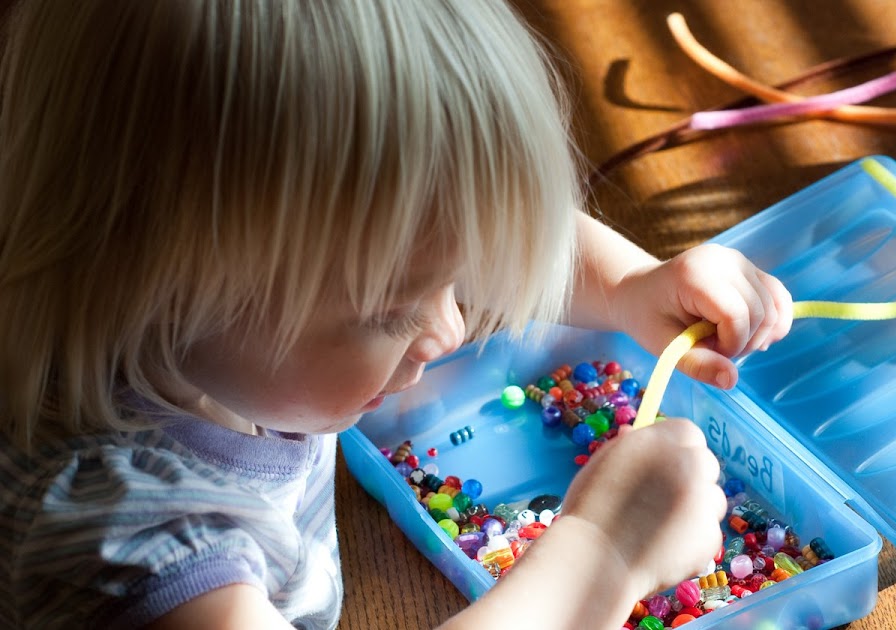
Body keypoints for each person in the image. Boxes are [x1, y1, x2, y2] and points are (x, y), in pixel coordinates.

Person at [0, 1, 793, 628]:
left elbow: (454, 234)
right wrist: (602, 555)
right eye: (392, 309)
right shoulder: (141, 548)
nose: (450, 329)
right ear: (168, 287)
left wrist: (631, 284)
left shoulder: (211, 336)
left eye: (455, 278)